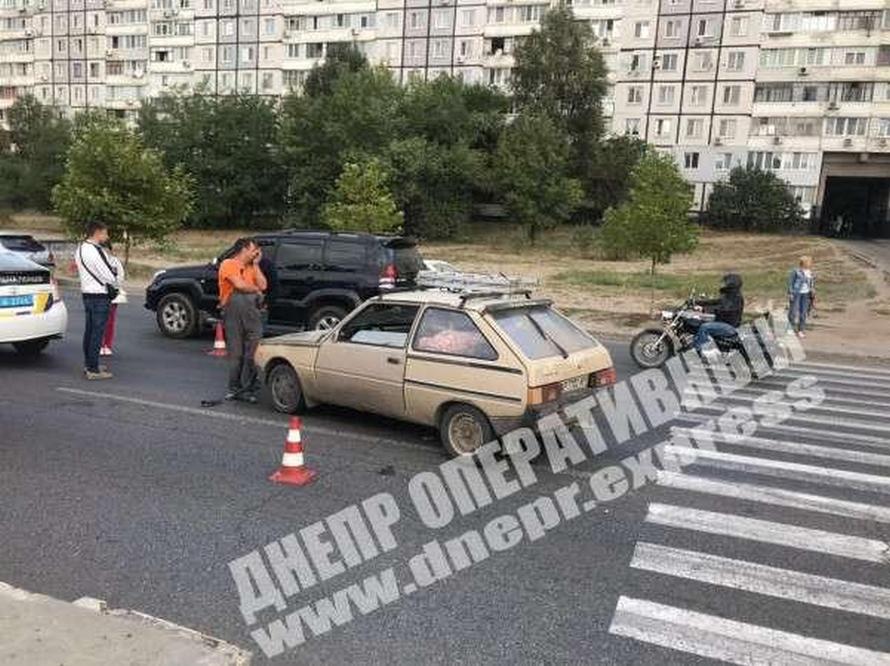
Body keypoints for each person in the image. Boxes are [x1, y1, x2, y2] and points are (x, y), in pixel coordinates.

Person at [218, 237, 267, 402]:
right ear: (244, 249)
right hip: (233, 312)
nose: (256, 253)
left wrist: (256, 264)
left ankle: (248, 387)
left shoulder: (252, 267)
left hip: (252, 313)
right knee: (236, 353)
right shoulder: (228, 264)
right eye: (254, 250)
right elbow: (239, 285)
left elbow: (263, 285)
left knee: (252, 351)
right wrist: (256, 291)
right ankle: (234, 388)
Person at [75, 221, 120, 380]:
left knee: (90, 330)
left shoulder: (80, 248)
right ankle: (93, 369)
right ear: (98, 233)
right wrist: (115, 276)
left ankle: (89, 363)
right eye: (105, 233)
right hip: (99, 295)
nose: (107, 237)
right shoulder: (94, 251)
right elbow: (108, 274)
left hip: (87, 293)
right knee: (97, 332)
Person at [693, 273, 745, 354]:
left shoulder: (735, 297)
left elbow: (725, 309)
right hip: (723, 323)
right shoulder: (729, 295)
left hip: (729, 326)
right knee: (698, 322)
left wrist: (704, 309)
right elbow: (715, 302)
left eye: (725, 282)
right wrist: (697, 302)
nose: (723, 284)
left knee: (705, 327)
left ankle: (701, 351)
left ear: (731, 284)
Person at [100, 241, 126, 356]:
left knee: (110, 322)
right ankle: (100, 345)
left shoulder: (115, 262)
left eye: (106, 249)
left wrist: (113, 285)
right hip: (100, 294)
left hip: (112, 294)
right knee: (99, 321)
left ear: (110, 250)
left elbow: (120, 276)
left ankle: (107, 345)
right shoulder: (98, 262)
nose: (105, 252)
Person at [788, 255, 815, 338]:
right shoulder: (796, 271)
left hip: (806, 294)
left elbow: (811, 282)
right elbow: (790, 283)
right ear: (804, 263)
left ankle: (801, 330)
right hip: (796, 293)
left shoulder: (810, 272)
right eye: (809, 262)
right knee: (793, 312)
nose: (810, 264)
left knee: (803, 313)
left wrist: (812, 290)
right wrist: (790, 293)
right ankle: (790, 329)